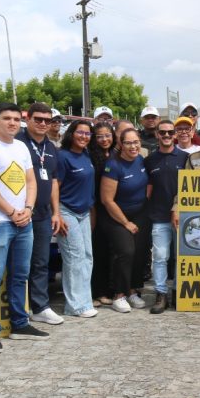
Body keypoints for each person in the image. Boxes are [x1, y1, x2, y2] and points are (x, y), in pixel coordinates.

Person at [0, 102, 47, 354]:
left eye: (17, 119)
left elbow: (31, 181)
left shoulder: (22, 147)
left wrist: (27, 209)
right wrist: (11, 212)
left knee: (20, 276)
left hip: (23, 221)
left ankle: (20, 324)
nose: (13, 123)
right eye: (7, 118)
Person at [16, 102, 65, 326]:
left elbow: (54, 181)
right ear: (28, 119)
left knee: (41, 263)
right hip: (19, 213)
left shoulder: (51, 147)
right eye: (38, 119)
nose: (43, 124)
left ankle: (40, 307)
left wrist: (56, 212)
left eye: (47, 120)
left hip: (44, 214)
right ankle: (17, 309)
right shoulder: (17, 143)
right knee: (18, 264)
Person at [100, 127, 151, 312]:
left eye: (136, 142)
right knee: (126, 252)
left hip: (139, 213)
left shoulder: (140, 160)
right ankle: (119, 295)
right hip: (117, 216)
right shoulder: (113, 165)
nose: (133, 146)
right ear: (120, 144)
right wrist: (125, 222)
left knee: (139, 253)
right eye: (128, 142)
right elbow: (107, 200)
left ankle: (132, 291)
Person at [56, 119, 98, 318]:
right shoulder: (63, 156)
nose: (84, 137)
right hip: (66, 211)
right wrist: (56, 213)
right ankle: (74, 306)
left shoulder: (86, 155)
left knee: (87, 257)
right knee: (74, 258)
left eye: (88, 134)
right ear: (71, 134)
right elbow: (55, 186)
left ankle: (85, 301)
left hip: (83, 212)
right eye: (80, 133)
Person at [145, 119, 188, 314]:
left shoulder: (187, 158)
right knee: (160, 257)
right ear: (157, 135)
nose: (167, 136)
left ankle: (177, 292)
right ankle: (161, 293)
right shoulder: (150, 160)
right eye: (163, 133)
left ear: (176, 134)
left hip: (182, 216)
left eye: (171, 132)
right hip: (158, 216)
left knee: (181, 257)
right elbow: (147, 189)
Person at [90, 122, 117, 307]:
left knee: (112, 251)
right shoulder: (90, 155)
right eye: (100, 136)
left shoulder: (117, 154)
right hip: (96, 207)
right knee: (97, 251)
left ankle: (111, 289)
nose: (104, 139)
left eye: (107, 135)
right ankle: (97, 291)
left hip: (114, 207)